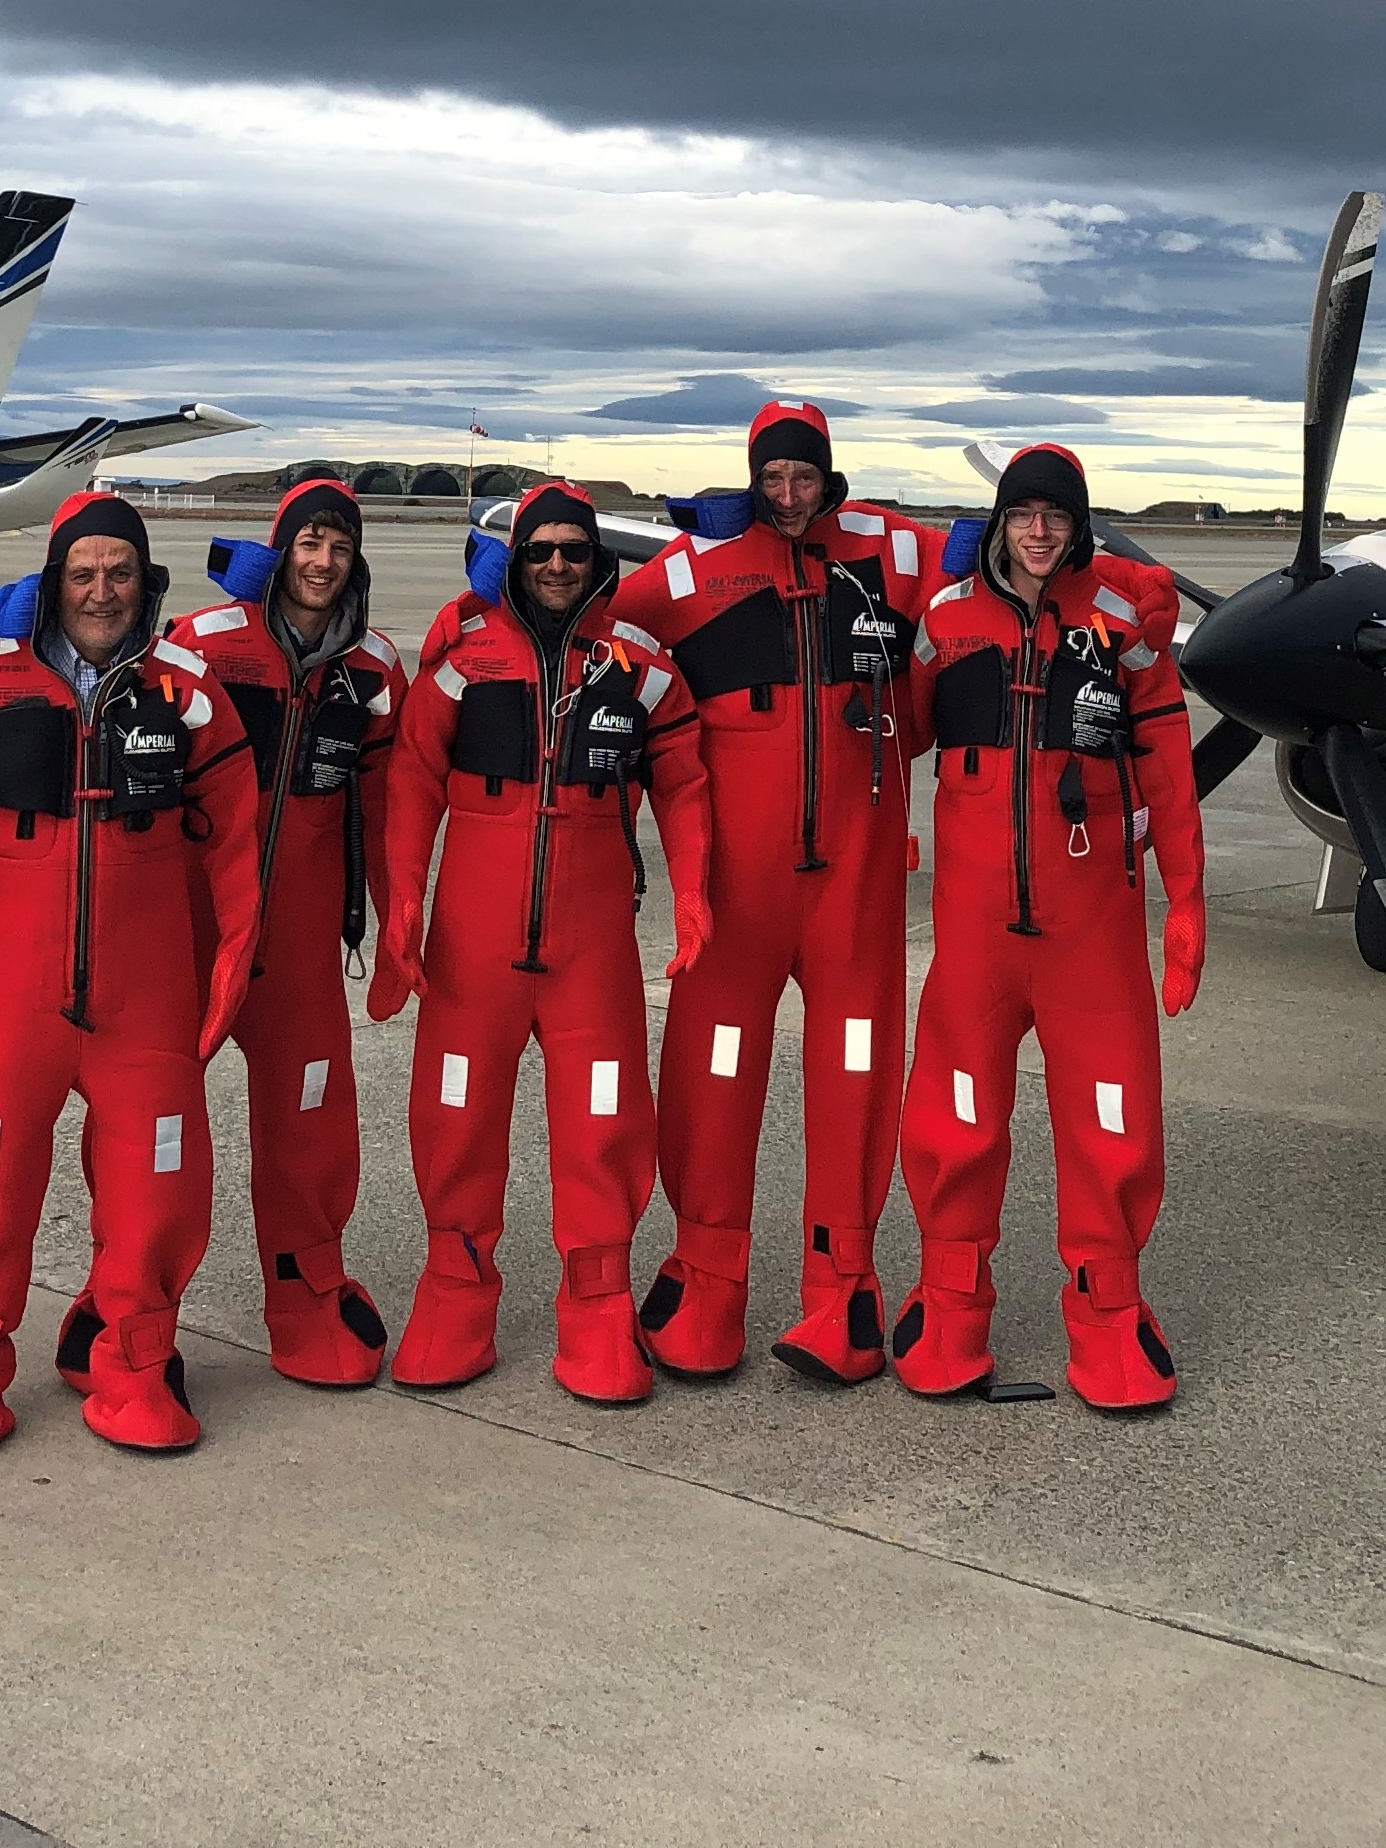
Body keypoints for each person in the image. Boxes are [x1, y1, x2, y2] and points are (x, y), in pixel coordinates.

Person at [0, 491, 262, 1460]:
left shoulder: (190, 690)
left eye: (121, 572)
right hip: (14, 1001)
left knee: (160, 1177)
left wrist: (231, 966)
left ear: (147, 582)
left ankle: (134, 1357)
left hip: (149, 1002)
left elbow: (237, 849)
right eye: (83, 574)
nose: (102, 591)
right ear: (55, 583)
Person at [611, 399, 938, 1382]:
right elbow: (582, 617)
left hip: (855, 891)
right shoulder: (691, 571)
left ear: (827, 475)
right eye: (773, 478)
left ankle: (843, 1294)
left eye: (805, 477)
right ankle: (706, 1277)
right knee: (712, 1076)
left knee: (854, 1075)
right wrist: (483, 592)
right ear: (751, 477)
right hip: (737, 896)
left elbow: (1022, 549)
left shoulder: (891, 553)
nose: (789, 496)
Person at [369, 481, 714, 1404]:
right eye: (539, 550)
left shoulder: (638, 662)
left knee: (605, 1119)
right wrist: (402, 904)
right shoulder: (463, 656)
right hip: (473, 947)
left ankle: (598, 1304)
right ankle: (454, 1287)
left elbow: (682, 782)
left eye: (573, 550)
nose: (557, 564)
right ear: (516, 559)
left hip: (589, 950)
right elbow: (410, 781)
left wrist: (692, 897)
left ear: (598, 560)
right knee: (456, 1112)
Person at [891, 444, 1208, 1412]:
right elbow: (893, 734)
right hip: (979, 936)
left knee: (1113, 1121)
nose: (1039, 534)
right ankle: (950, 1299)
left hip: (1090, 931)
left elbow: (1168, 768)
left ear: (1078, 527)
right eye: (1023, 515)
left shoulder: (1124, 627)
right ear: (999, 523)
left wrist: (1186, 905)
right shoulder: (943, 622)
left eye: (1057, 518)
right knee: (955, 1120)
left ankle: (1108, 1309)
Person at [161, 478, 409, 1387]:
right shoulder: (200, 647)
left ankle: (306, 1294)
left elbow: (388, 812)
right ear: (280, 550)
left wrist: (396, 924)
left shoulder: (375, 669)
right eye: (308, 543)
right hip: (190, 931)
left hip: (301, 942)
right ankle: (127, 1300)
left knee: (310, 1124)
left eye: (339, 547)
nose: (322, 562)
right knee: (152, 1124)